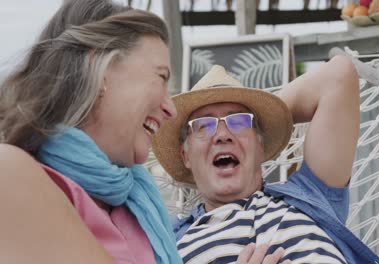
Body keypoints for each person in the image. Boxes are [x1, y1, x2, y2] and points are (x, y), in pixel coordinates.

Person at [0, 1, 284, 263]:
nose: (170, 109)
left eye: (235, 121)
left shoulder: (133, 206)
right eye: (161, 77)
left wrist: (253, 124)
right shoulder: (13, 174)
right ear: (99, 70)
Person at [153, 61, 379, 263]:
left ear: (260, 146)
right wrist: (245, 129)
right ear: (185, 156)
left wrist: (268, 118)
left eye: (239, 121)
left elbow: (339, 75)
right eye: (204, 125)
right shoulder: (170, 243)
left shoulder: (309, 195)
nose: (223, 135)